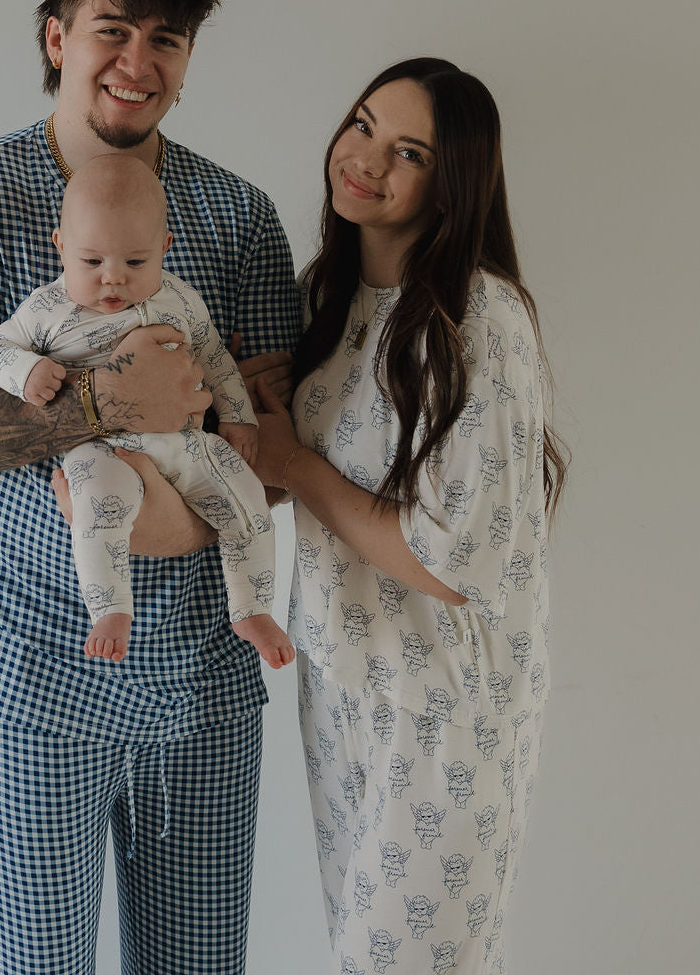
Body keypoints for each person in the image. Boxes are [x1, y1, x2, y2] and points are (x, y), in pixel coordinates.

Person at [0, 0, 301, 975]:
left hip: (204, 680)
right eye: (112, 28)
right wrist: (104, 408)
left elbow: (272, 434)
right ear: (57, 39)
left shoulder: (237, 217)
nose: (139, 60)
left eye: (167, 39)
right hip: (28, 674)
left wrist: (178, 512)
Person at [251, 58, 568, 975]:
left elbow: (455, 563)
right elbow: (296, 482)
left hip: (446, 716)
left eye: (408, 152)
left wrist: (296, 463)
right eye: (361, 124)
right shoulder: (328, 298)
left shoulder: (475, 318)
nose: (364, 159)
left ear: (451, 180)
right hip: (345, 689)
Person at [0, 154, 294, 667]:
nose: (113, 280)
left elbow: (215, 359)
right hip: (101, 448)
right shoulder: (47, 309)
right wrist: (25, 372)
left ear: (165, 249)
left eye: (134, 262)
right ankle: (109, 608)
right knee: (97, 507)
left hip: (188, 443)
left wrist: (239, 417)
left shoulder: (182, 300)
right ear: (61, 246)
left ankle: (252, 607)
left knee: (248, 502)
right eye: (91, 262)